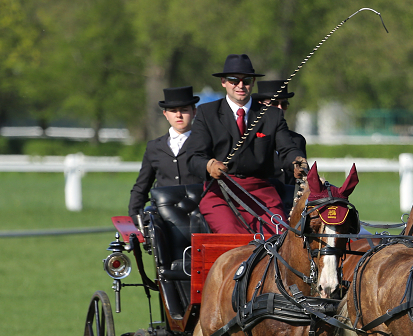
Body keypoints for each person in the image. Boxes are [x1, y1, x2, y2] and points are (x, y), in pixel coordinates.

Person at [184, 54, 308, 235]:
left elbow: (287, 149)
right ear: (223, 82)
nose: (241, 85)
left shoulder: (272, 115)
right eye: (234, 80)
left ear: (253, 82)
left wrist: (296, 161)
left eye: (247, 80)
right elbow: (194, 156)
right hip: (220, 193)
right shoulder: (207, 113)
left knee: (281, 238)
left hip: (262, 192)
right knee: (233, 237)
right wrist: (210, 165)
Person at [128, 86, 202, 217]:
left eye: (184, 110)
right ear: (165, 114)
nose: (179, 115)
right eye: (173, 111)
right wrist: (134, 215)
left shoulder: (205, 143)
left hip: (198, 213)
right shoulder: (154, 147)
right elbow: (142, 186)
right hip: (163, 214)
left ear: (194, 112)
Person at [251, 79, 306, 212]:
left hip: (290, 208)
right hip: (260, 204)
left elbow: (300, 181)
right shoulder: (250, 137)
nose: (280, 108)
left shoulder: (298, 140)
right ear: (260, 105)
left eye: (284, 104)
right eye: (274, 103)